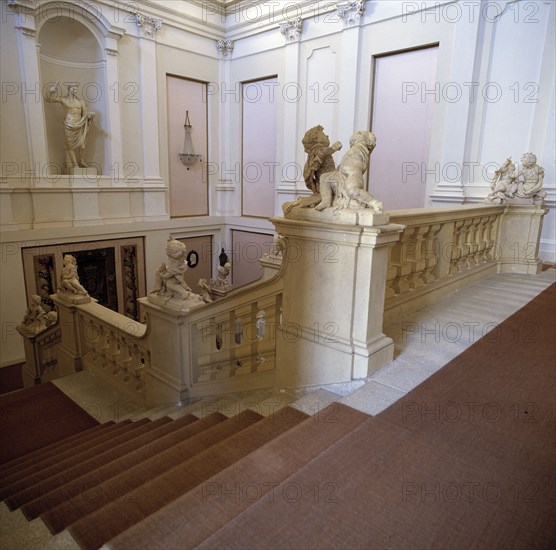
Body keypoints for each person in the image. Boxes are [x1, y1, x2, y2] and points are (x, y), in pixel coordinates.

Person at [45, 82, 95, 169]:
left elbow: (85, 114)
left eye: (76, 88)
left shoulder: (80, 102)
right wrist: (51, 91)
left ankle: (82, 161)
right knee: (70, 146)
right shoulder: (63, 99)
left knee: (82, 146)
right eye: (74, 88)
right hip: (69, 124)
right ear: (69, 88)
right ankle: (75, 165)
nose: (75, 90)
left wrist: (90, 116)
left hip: (79, 125)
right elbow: (50, 99)